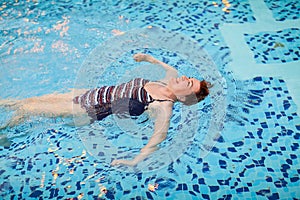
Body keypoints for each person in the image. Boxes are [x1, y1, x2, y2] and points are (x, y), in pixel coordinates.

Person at [0, 53, 210, 166]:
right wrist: (148, 59)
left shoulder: (162, 106)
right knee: (28, 100)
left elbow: (158, 137)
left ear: (183, 97)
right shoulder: (167, 80)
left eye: (189, 83)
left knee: (28, 110)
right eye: (189, 78)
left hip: (89, 108)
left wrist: (133, 161)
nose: (184, 78)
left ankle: (3, 134)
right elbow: (169, 68)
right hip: (92, 92)